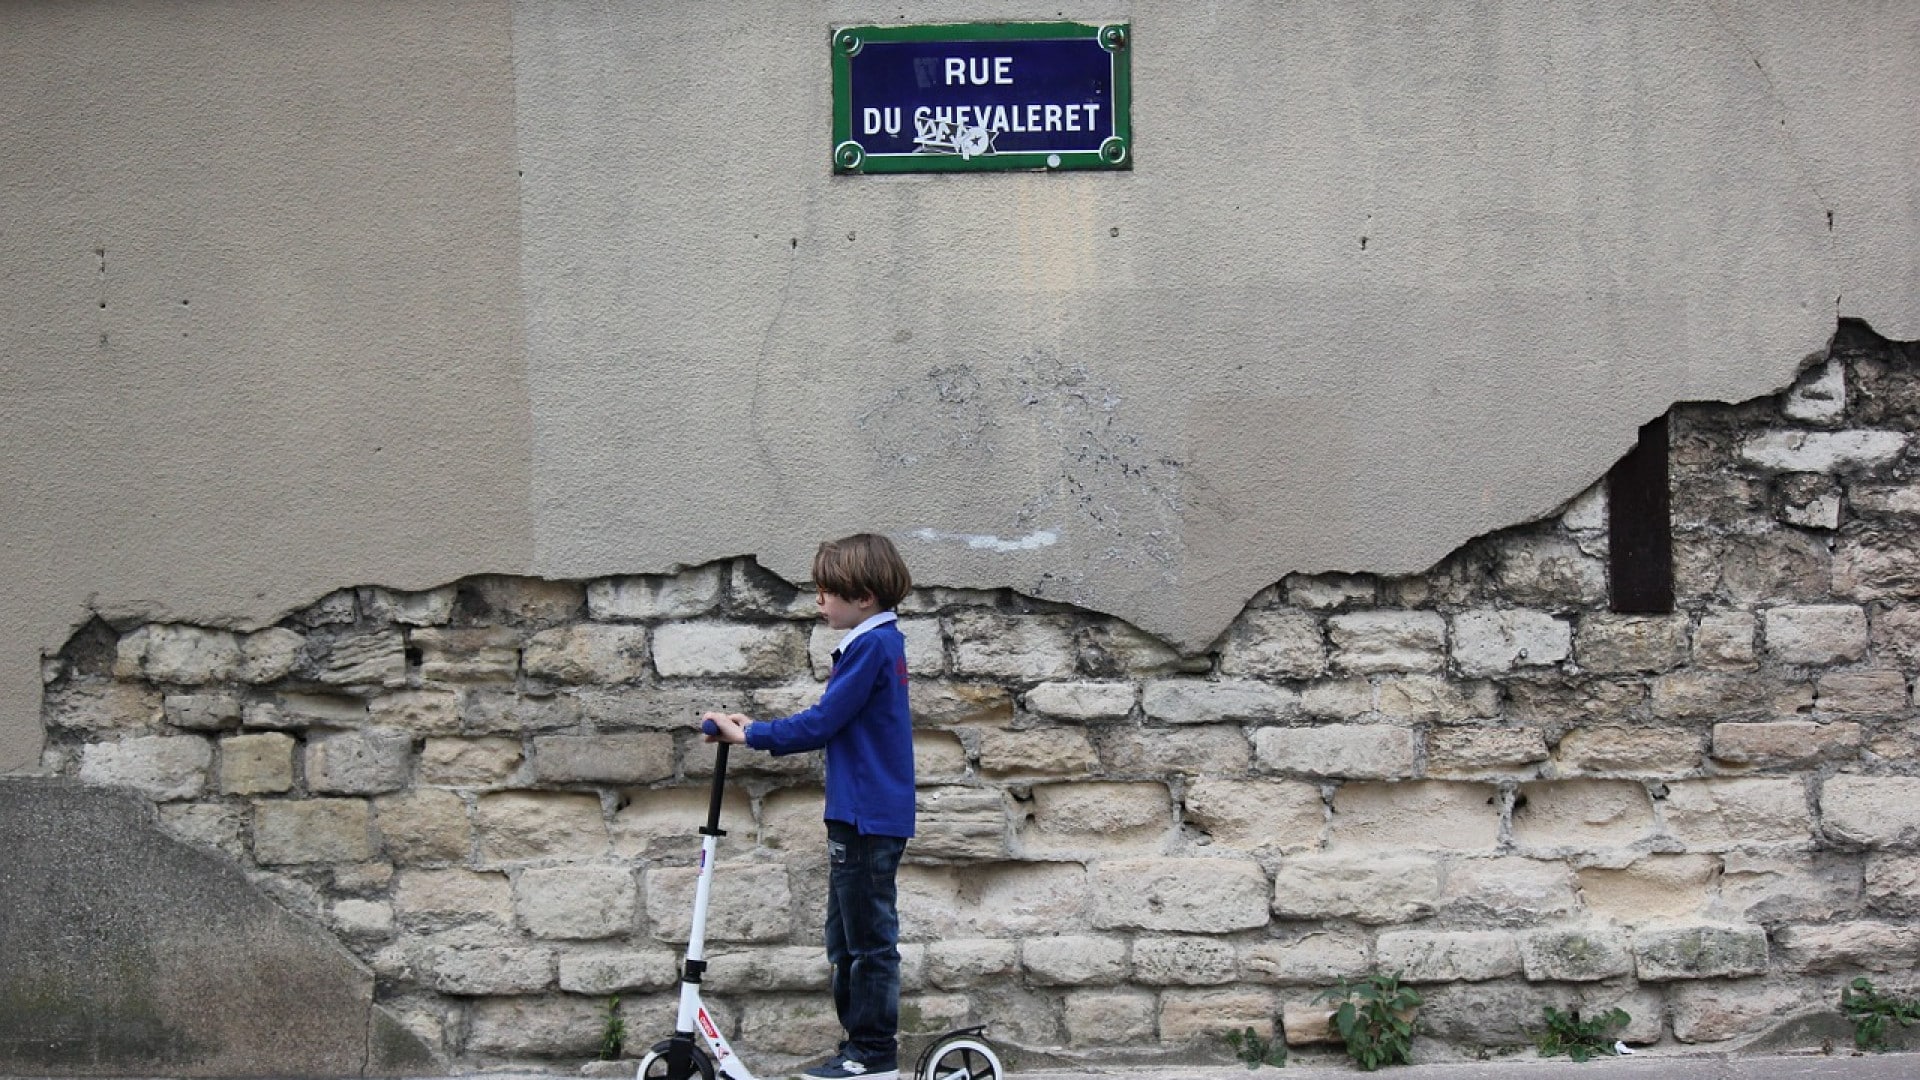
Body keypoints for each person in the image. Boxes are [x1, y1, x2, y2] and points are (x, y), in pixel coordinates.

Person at [701, 532, 915, 1080]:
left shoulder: (872, 645)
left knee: (867, 944)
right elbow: (832, 717)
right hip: (858, 812)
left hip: (866, 815)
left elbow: (822, 723)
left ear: (863, 596)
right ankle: (859, 1049)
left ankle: (872, 1055)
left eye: (827, 591)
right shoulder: (874, 643)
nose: (818, 601)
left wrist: (751, 737)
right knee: (844, 940)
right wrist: (760, 729)